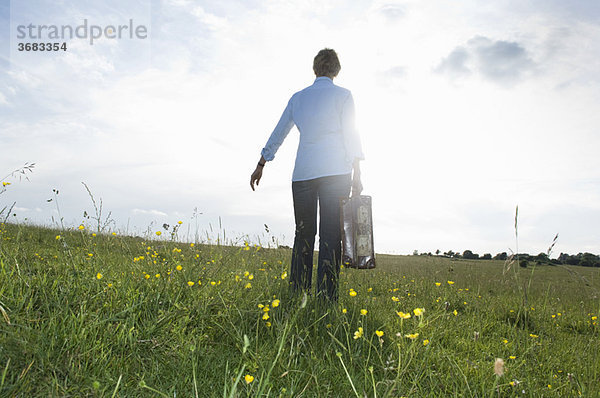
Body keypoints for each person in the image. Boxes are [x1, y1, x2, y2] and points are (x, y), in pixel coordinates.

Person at [250, 48, 364, 302]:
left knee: (303, 233)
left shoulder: (298, 98)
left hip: (303, 174)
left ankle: (298, 292)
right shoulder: (344, 96)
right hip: (337, 173)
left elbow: (279, 132)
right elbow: (351, 136)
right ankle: (326, 298)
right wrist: (357, 173)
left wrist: (262, 162)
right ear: (336, 70)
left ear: (315, 69)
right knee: (331, 234)